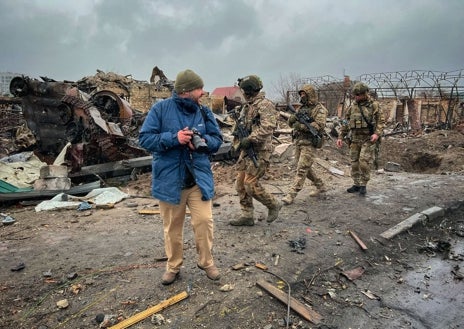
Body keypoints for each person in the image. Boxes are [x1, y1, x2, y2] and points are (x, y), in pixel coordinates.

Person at [139, 69, 223, 285]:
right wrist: (173, 138)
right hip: (170, 180)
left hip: (198, 179)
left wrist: (202, 142)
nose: (203, 92)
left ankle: (206, 262)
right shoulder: (160, 109)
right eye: (199, 88)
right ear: (186, 91)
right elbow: (145, 139)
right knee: (172, 228)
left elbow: (217, 140)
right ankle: (173, 266)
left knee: (204, 221)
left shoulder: (204, 112)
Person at [229, 75, 282, 226]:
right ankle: (247, 215)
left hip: (260, 150)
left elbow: (268, 127)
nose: (243, 93)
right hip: (246, 150)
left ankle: (273, 204)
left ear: (250, 90)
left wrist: (251, 139)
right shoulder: (248, 106)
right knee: (240, 184)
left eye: (245, 90)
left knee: (250, 184)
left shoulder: (265, 105)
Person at [282, 84, 329, 205]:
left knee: (302, 169)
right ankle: (320, 185)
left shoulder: (320, 109)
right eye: (301, 94)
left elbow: (319, 127)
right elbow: (291, 123)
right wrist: (292, 119)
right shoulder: (301, 109)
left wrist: (301, 126)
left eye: (304, 94)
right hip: (298, 141)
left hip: (310, 143)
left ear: (310, 95)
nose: (302, 96)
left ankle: (291, 194)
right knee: (304, 167)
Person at [336, 82, 385, 195]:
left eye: (358, 95)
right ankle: (356, 184)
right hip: (354, 139)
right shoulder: (352, 107)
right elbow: (346, 122)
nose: (356, 97)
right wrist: (340, 137)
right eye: (355, 95)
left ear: (365, 94)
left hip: (368, 138)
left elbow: (381, 121)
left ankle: (363, 184)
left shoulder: (374, 105)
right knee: (354, 163)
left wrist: (377, 134)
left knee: (363, 162)